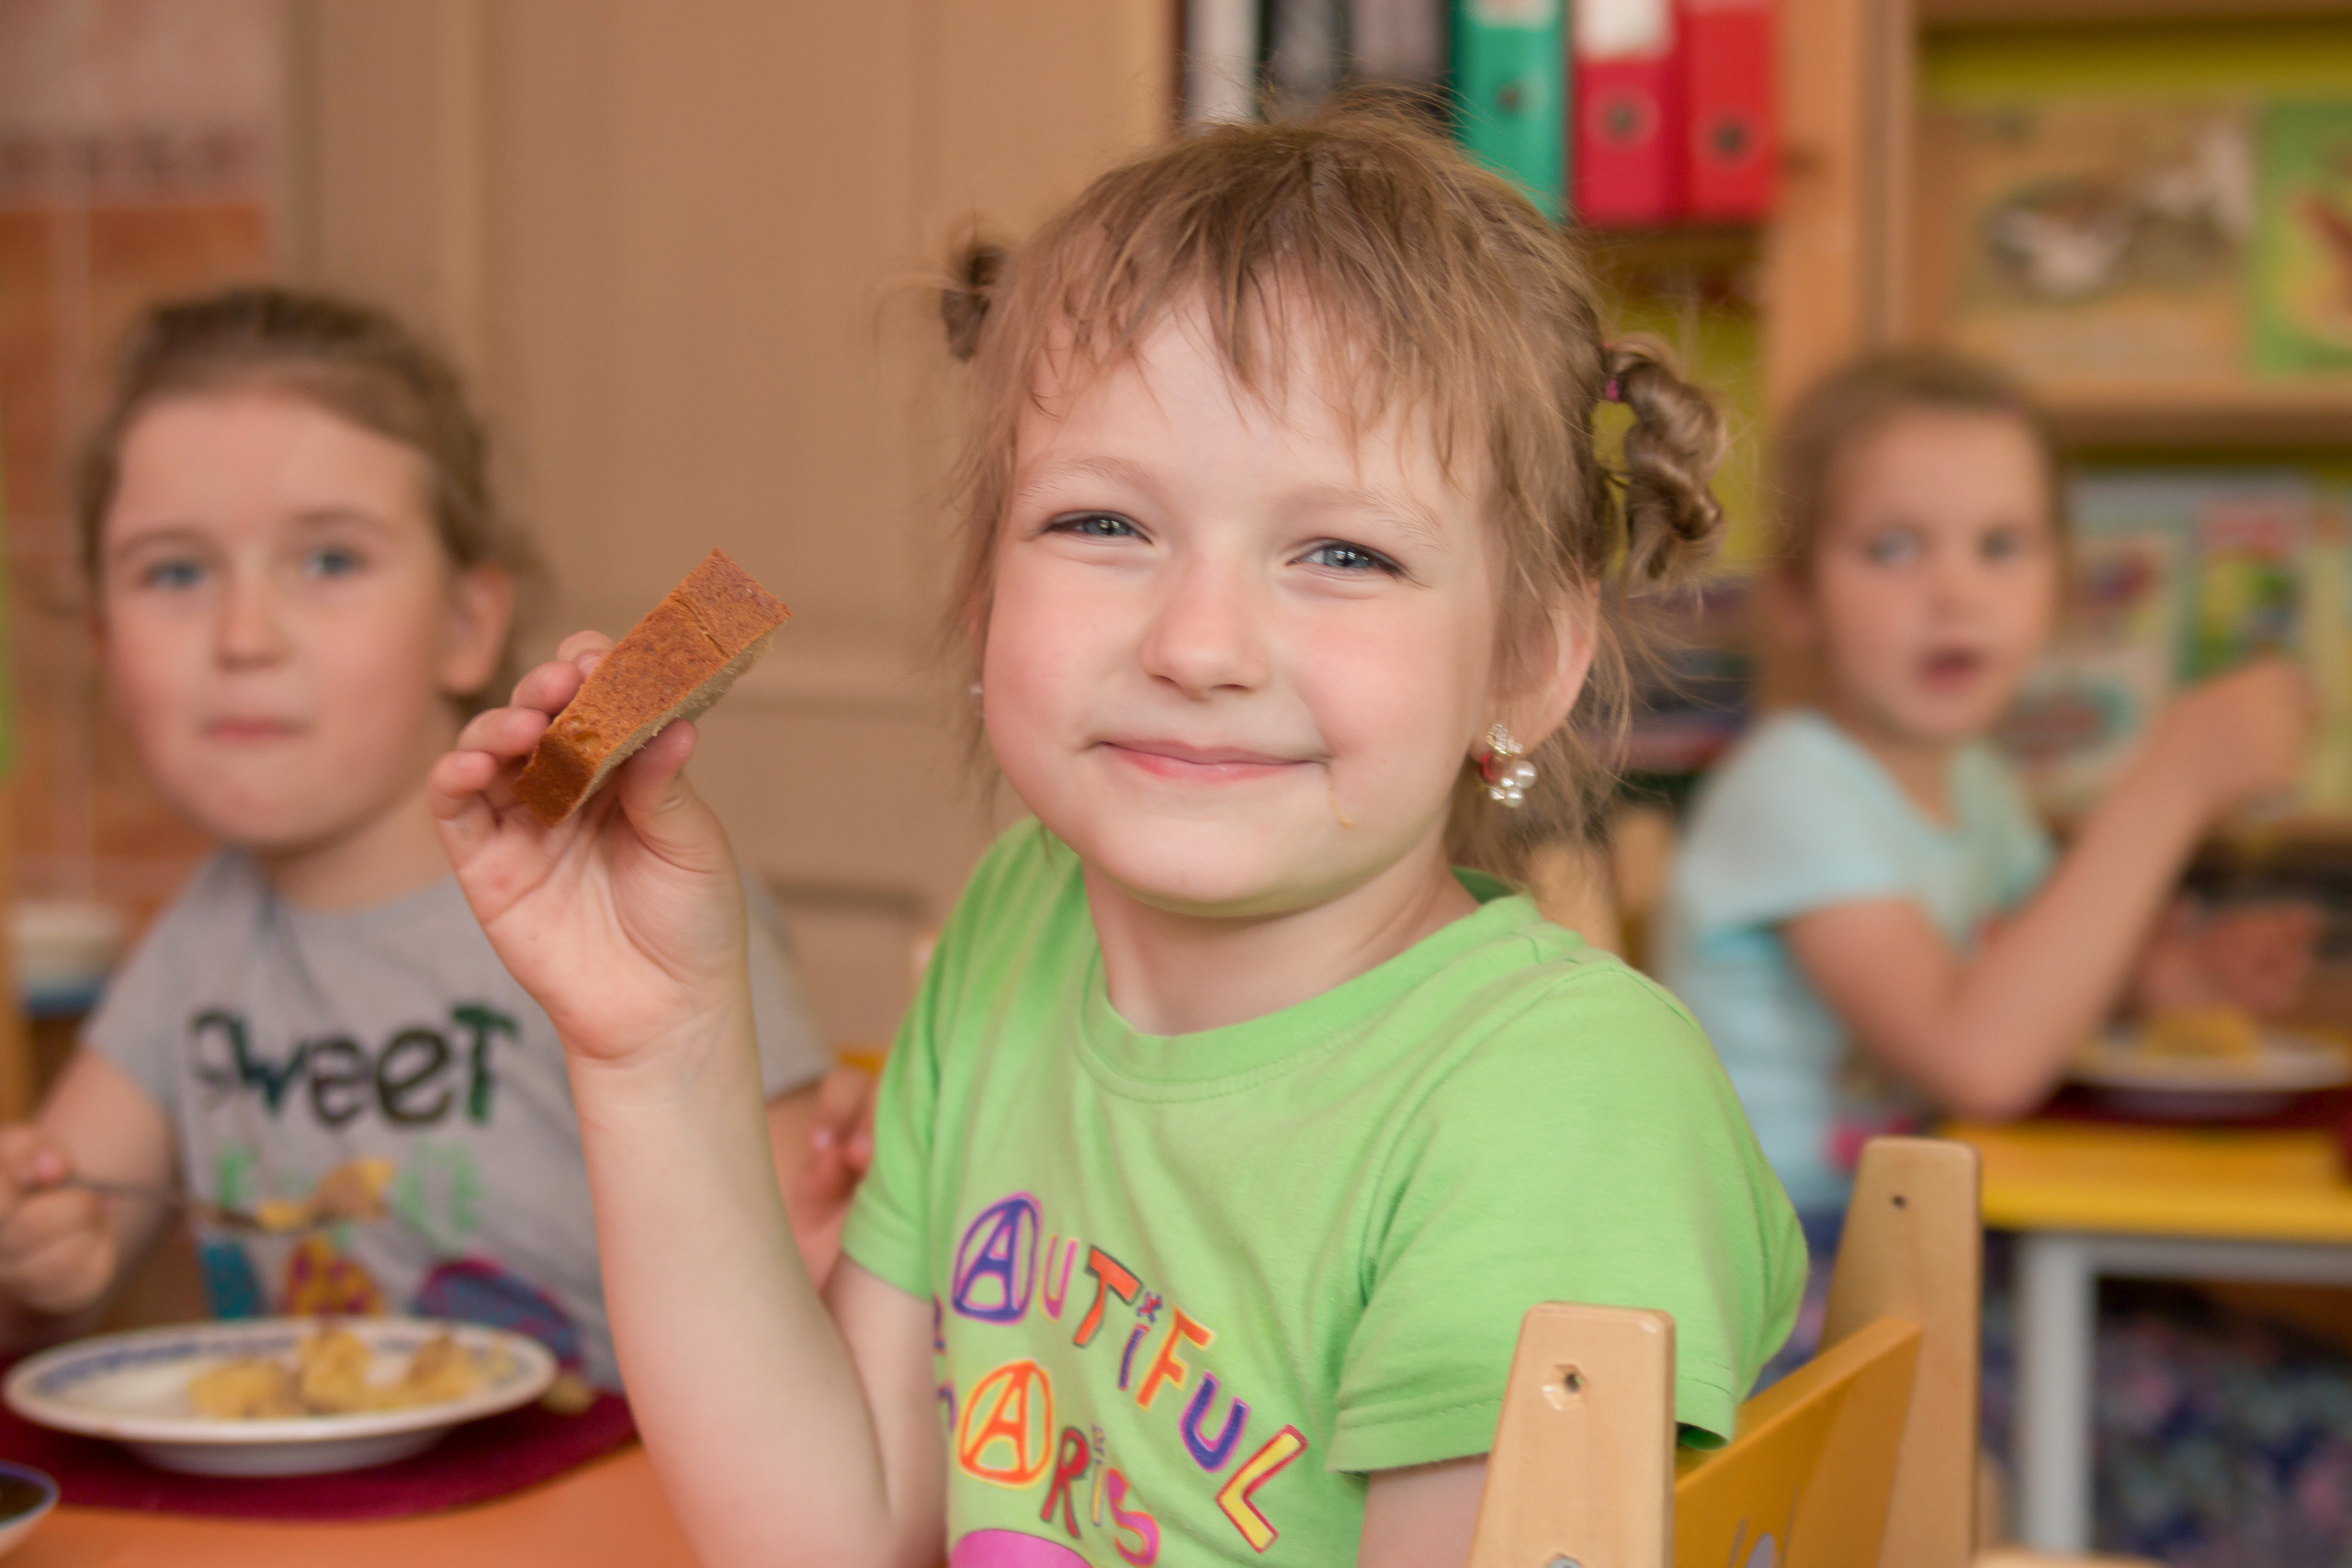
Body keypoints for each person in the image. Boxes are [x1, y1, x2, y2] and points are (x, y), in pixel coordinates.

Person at [429, 105, 1804, 1567]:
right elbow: (824, 1531)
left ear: (1526, 660)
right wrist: (655, 1048)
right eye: (1101, 525)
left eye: (1342, 552)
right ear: (981, 603)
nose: (1199, 642)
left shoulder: (1556, 1104)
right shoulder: (1020, 922)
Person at [0, 286, 864, 1391]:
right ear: (105, 642)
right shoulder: (197, 942)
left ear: (468, 622)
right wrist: (37, 1250)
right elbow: (65, 1229)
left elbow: (809, 1277)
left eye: (328, 561)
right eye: (175, 573)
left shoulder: (615, 899)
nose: (242, 636)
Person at [1659, 351, 2316, 1225]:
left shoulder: (1979, 785)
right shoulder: (1791, 790)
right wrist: (2169, 784)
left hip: (1912, 1227)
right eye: (1892, 548)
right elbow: (1981, 1058)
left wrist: (2176, 975)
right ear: (1795, 595)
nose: (1955, 593)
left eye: (2001, 547)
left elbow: (2039, 980)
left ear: (2059, 586)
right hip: (1782, 1268)